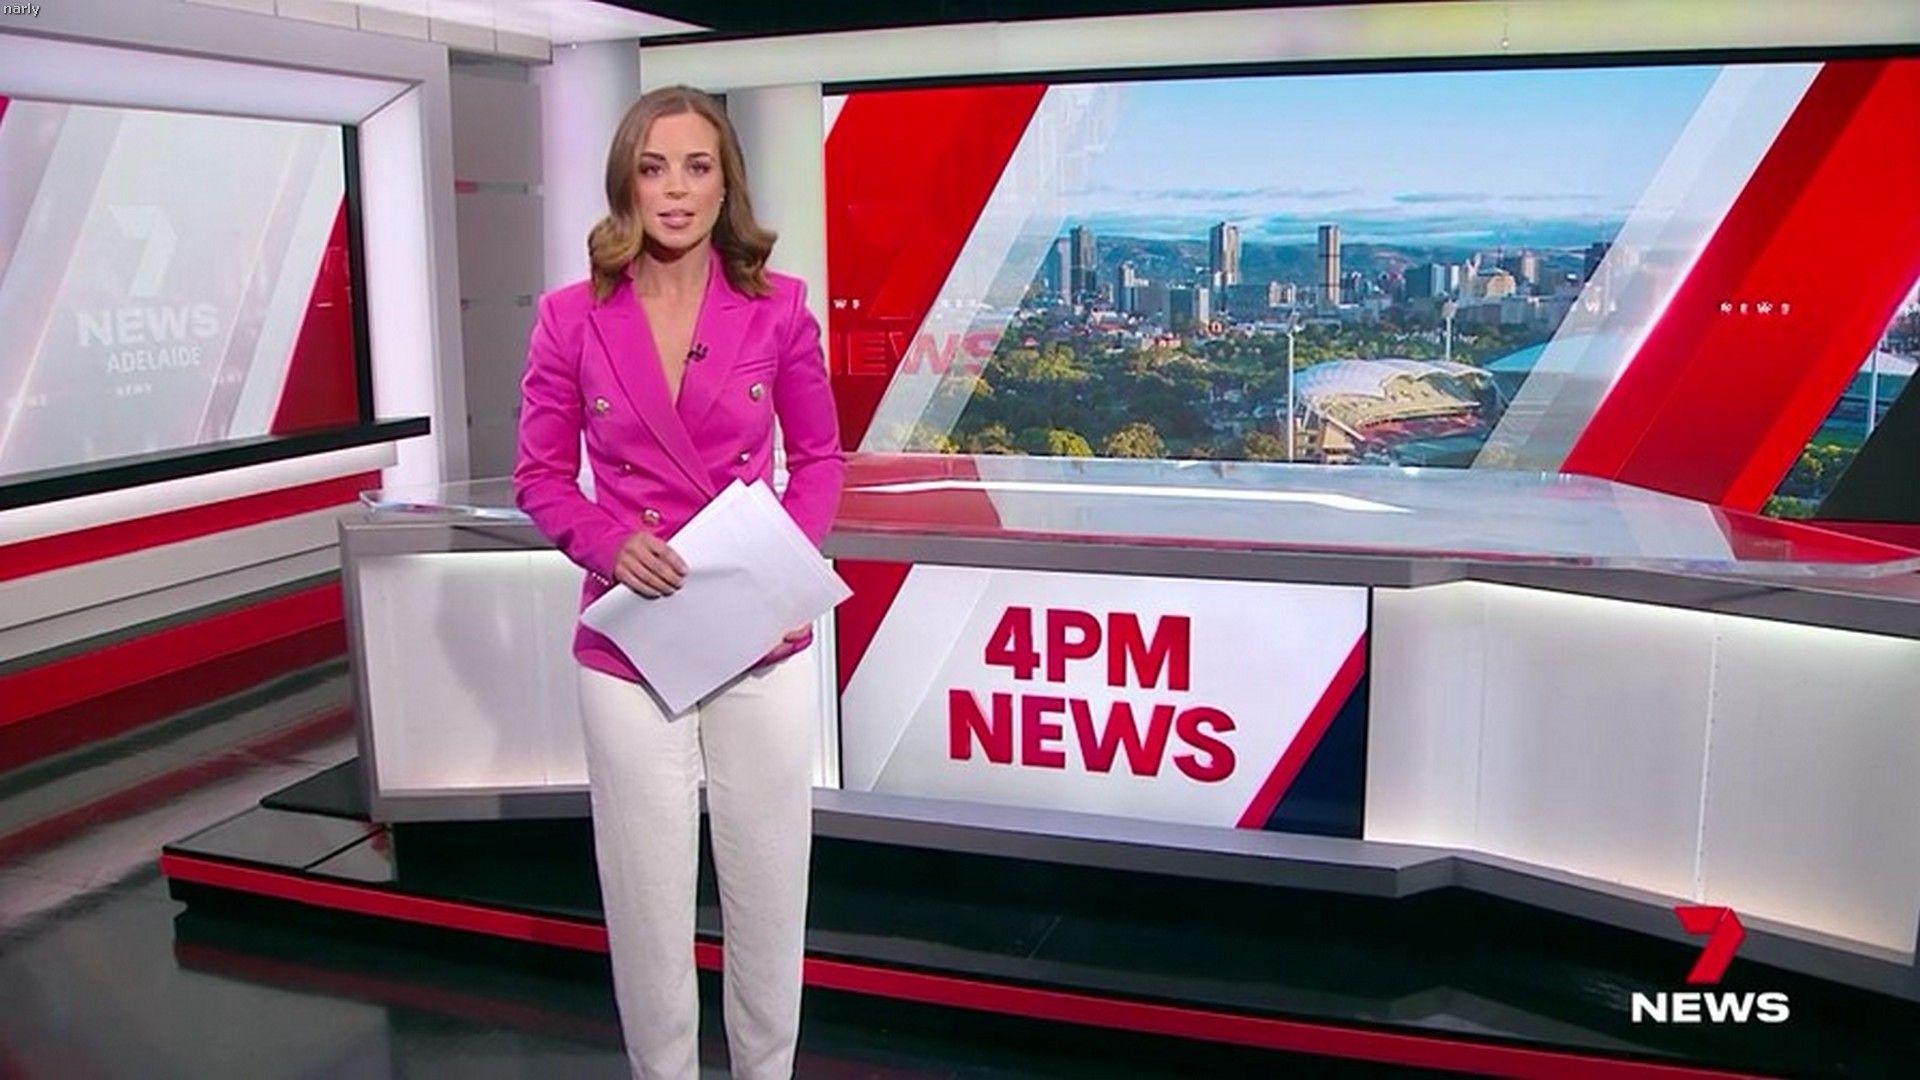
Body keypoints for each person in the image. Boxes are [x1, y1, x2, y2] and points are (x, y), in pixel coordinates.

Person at [511, 84, 845, 1080]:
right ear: (627, 182)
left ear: (724, 184)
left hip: (758, 640)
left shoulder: (778, 308)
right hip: (633, 642)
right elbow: (538, 476)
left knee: (769, 892)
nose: (675, 189)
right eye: (654, 168)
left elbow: (818, 461)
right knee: (648, 904)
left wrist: (777, 578)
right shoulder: (569, 319)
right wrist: (607, 542)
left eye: (697, 167)